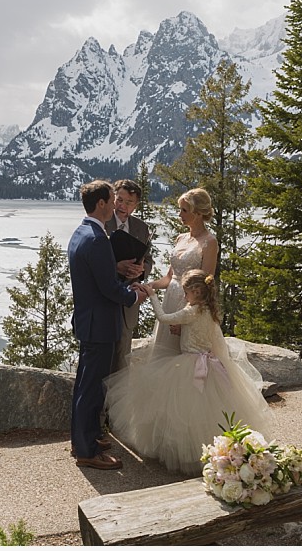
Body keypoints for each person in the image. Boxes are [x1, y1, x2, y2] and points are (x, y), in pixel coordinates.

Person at [103, 269, 273, 476]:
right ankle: (217, 449)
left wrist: (152, 295)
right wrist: (182, 329)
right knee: (210, 410)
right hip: (210, 362)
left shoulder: (190, 311)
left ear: (196, 292)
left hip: (190, 364)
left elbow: (163, 317)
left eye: (186, 293)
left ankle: (190, 453)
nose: (184, 296)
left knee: (183, 411)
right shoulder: (207, 310)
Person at [68, 180, 147, 471]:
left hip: (89, 321)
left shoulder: (81, 233)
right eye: (112, 199)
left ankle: (82, 438)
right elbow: (109, 288)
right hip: (100, 323)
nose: (115, 204)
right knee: (91, 388)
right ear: (101, 203)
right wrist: (134, 295)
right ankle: (87, 450)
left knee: (84, 384)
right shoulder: (98, 239)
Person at [146, 188, 219, 359]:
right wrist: (149, 286)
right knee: (163, 359)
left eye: (184, 210)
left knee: (183, 361)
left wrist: (186, 321)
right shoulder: (181, 238)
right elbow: (170, 277)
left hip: (189, 306)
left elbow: (205, 287)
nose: (179, 214)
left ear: (199, 213)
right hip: (170, 301)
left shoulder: (210, 242)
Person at [103, 179, 153, 373]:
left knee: (123, 362)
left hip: (128, 305)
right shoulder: (102, 222)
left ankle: (117, 403)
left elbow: (148, 260)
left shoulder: (142, 228)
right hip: (104, 300)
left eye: (128, 202)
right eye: (119, 200)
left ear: (136, 205)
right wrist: (116, 267)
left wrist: (141, 270)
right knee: (102, 360)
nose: (122, 206)